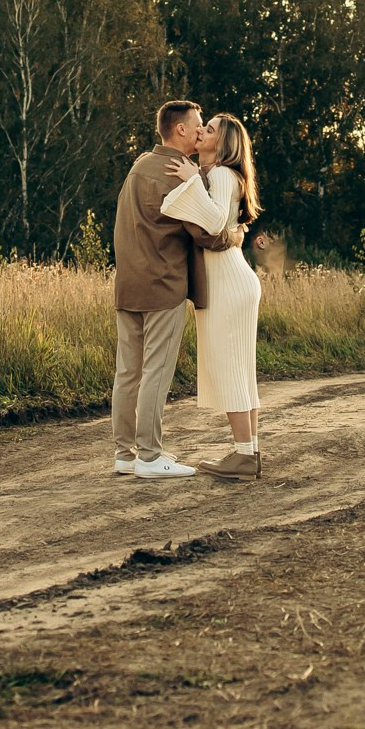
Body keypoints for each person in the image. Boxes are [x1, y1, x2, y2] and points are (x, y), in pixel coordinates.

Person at [110, 100, 243, 479]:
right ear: (180, 130)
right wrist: (234, 235)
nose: (201, 130)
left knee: (128, 373)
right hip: (162, 286)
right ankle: (150, 457)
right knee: (155, 372)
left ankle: (124, 454)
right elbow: (207, 234)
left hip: (128, 284)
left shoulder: (139, 167)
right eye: (198, 124)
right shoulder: (176, 173)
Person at [160, 112, 265, 478]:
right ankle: (248, 452)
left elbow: (217, 223)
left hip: (228, 283)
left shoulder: (220, 175)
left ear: (223, 144)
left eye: (209, 130)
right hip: (234, 279)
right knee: (240, 370)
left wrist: (192, 181)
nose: (201, 132)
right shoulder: (221, 176)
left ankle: (243, 457)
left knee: (231, 370)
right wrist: (196, 179)